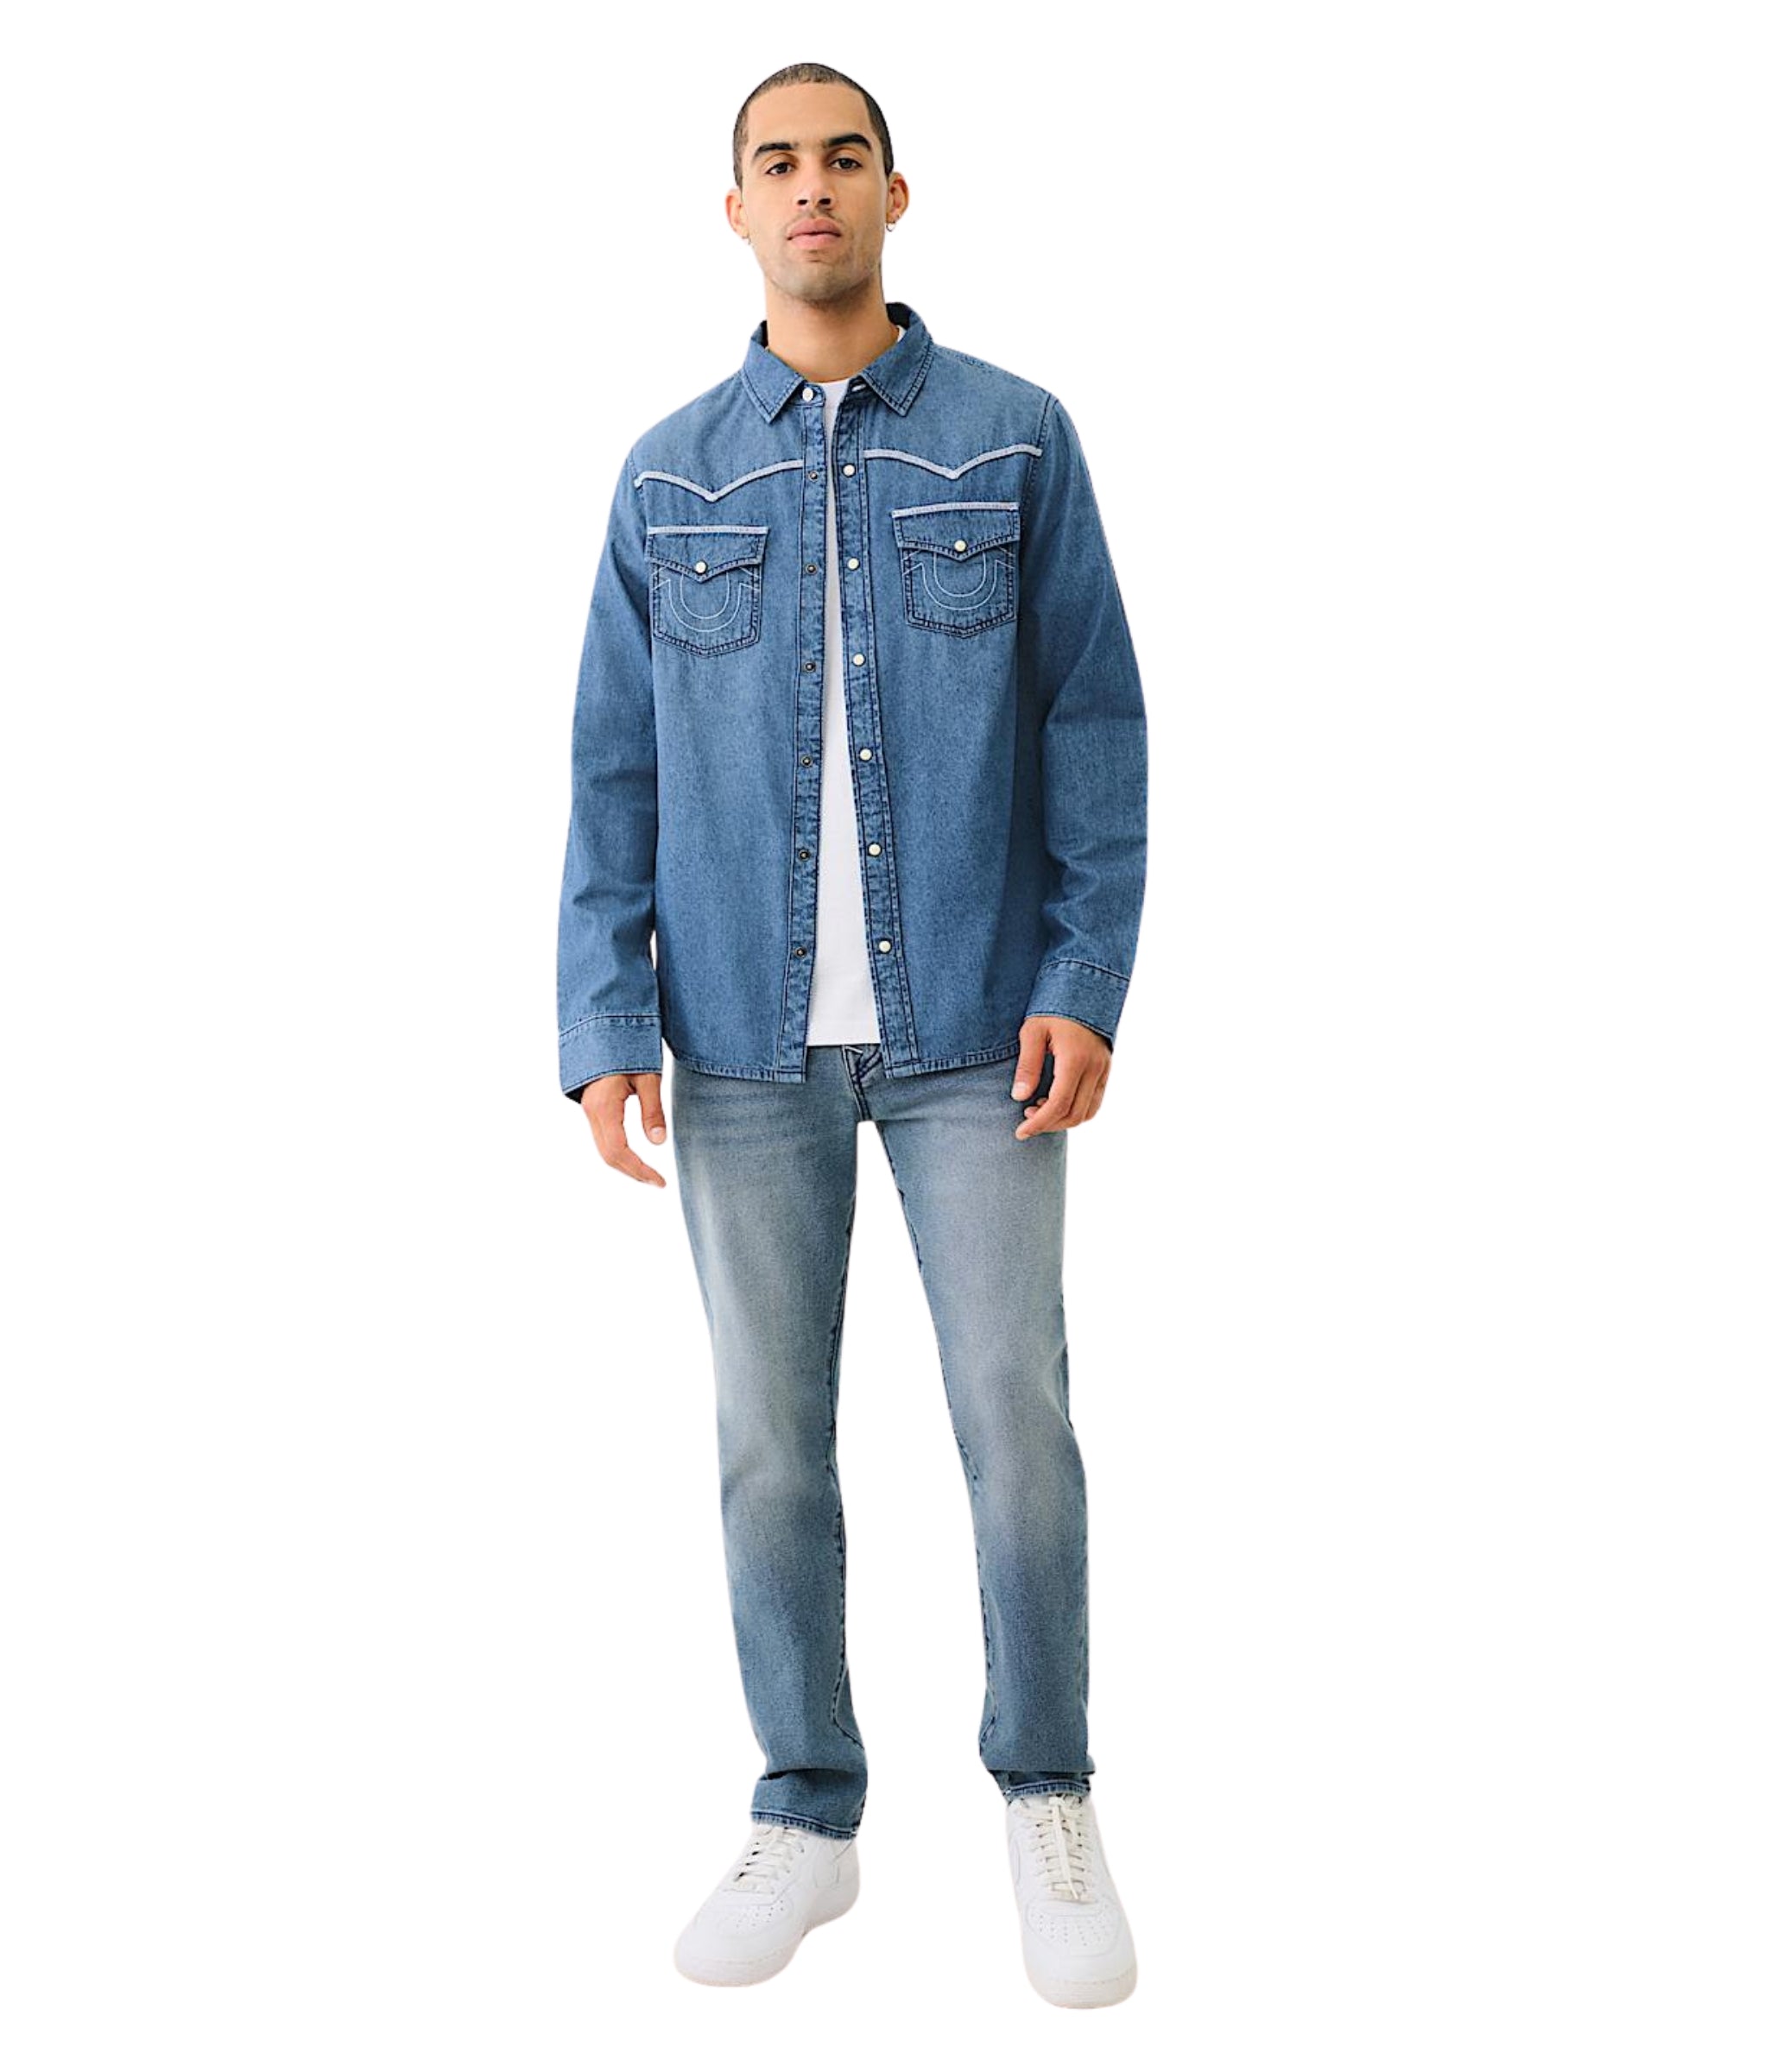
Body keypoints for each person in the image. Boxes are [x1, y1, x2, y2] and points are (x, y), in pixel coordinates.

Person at [554, 62, 1149, 2008]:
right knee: (766, 1449)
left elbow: (1095, 721)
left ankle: (1048, 1793)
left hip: (980, 1028)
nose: (811, 187)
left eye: (842, 158)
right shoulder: (668, 476)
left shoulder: (1015, 437)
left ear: (897, 191)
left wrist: (1082, 980)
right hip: (735, 1040)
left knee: (1017, 1428)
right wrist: (600, 1016)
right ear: (735, 210)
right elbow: (613, 768)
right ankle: (807, 1813)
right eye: (776, 163)